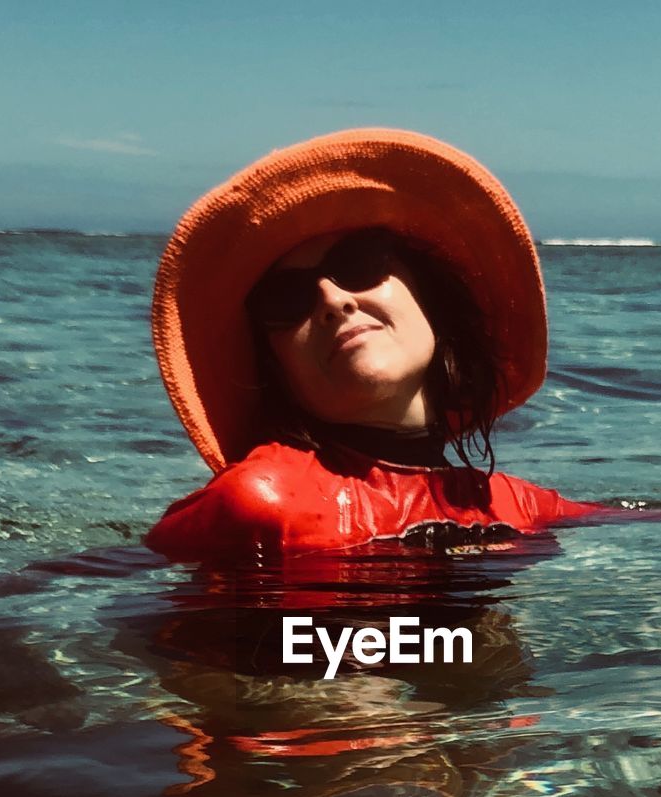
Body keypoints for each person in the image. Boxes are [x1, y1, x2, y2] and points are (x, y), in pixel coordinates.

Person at [145, 127, 617, 563]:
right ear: (275, 366)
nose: (333, 300)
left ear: (429, 297)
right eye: (286, 299)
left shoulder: (513, 505)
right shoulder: (262, 501)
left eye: (359, 264)